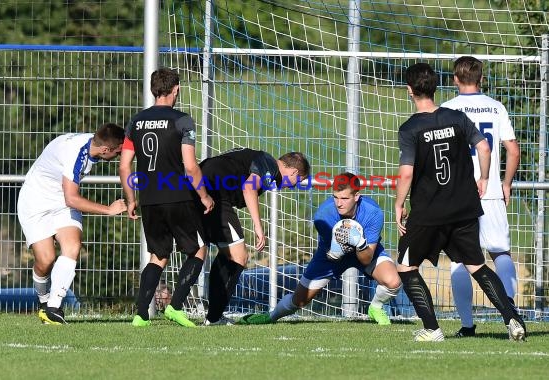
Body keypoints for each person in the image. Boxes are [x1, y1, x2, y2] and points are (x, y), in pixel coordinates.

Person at [394, 62, 526, 342]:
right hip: (464, 207)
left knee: (406, 267)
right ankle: (512, 319)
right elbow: (485, 147)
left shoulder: (409, 129)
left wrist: (398, 204)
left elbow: (407, 172)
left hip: (430, 211)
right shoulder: (456, 117)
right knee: (477, 265)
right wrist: (485, 177)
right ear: (436, 87)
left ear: (409, 91)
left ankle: (432, 328)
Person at [238, 172, 402, 326]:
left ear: (357, 196)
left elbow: (366, 259)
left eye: (344, 198)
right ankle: (271, 316)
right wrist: (343, 242)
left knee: (393, 281)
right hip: (331, 255)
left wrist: (359, 242)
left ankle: (376, 307)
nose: (339, 203)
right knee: (300, 300)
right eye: (335, 197)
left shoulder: (373, 213)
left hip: (364, 250)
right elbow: (335, 255)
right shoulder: (323, 216)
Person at [119, 67, 214, 328]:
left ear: (152, 90)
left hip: (149, 198)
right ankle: (175, 306)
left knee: (158, 256)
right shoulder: (183, 120)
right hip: (177, 196)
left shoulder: (136, 122)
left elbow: (124, 166)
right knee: (198, 249)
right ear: (176, 90)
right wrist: (204, 196)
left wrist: (131, 199)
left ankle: (140, 314)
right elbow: (191, 167)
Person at [441, 56, 521, 338]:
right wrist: (506, 184)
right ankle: (512, 316)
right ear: (481, 79)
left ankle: (467, 324)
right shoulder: (496, 107)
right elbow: (513, 150)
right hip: (490, 191)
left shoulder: (447, 109)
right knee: (500, 250)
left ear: (455, 79)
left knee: (460, 259)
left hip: (459, 192)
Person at [17, 123, 128, 325]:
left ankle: (53, 308)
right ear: (106, 150)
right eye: (118, 152)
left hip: (61, 201)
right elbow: (72, 199)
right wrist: (108, 209)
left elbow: (67, 198)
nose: (120, 156)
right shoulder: (76, 154)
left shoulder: (93, 142)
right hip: (35, 200)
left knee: (72, 246)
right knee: (46, 261)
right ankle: (44, 301)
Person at [200, 148, 310, 325]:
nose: (294, 185)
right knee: (239, 257)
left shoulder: (259, 161)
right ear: (294, 171)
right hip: (212, 196)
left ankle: (212, 315)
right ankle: (213, 317)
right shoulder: (270, 164)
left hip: (199, 190)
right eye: (298, 180)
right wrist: (258, 227)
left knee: (226, 254)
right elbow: (249, 188)